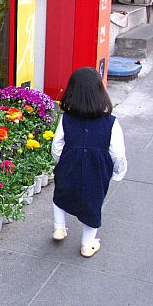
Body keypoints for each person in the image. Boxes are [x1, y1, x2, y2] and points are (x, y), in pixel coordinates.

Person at [50, 67, 127, 258]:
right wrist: (118, 172)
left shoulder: (65, 118)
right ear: (100, 92)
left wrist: (61, 162)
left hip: (69, 164)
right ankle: (87, 244)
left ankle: (59, 229)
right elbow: (117, 153)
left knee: (61, 193)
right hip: (97, 168)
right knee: (93, 203)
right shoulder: (111, 122)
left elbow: (56, 146)